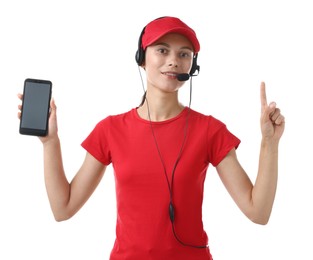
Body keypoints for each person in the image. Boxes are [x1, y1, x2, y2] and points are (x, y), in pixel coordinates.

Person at [17, 16, 285, 260]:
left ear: (192, 66)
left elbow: (258, 212)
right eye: (162, 50)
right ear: (141, 58)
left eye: (184, 54)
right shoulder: (110, 130)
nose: (174, 60)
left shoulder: (209, 130)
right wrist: (50, 143)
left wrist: (269, 145)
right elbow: (63, 208)